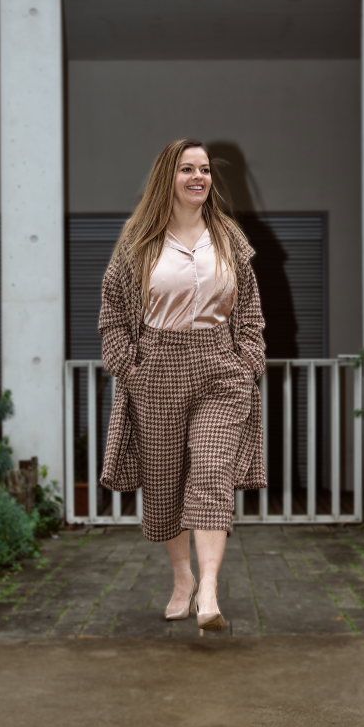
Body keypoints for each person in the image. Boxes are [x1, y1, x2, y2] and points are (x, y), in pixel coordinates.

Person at [98, 138, 266, 631]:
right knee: (166, 482)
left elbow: (250, 310)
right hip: (157, 369)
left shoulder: (228, 237)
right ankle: (182, 579)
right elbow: (112, 315)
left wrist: (247, 360)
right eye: (187, 169)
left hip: (220, 367)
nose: (199, 177)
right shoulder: (138, 241)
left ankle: (209, 590)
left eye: (205, 169)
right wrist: (130, 368)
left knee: (211, 468)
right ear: (166, 177)